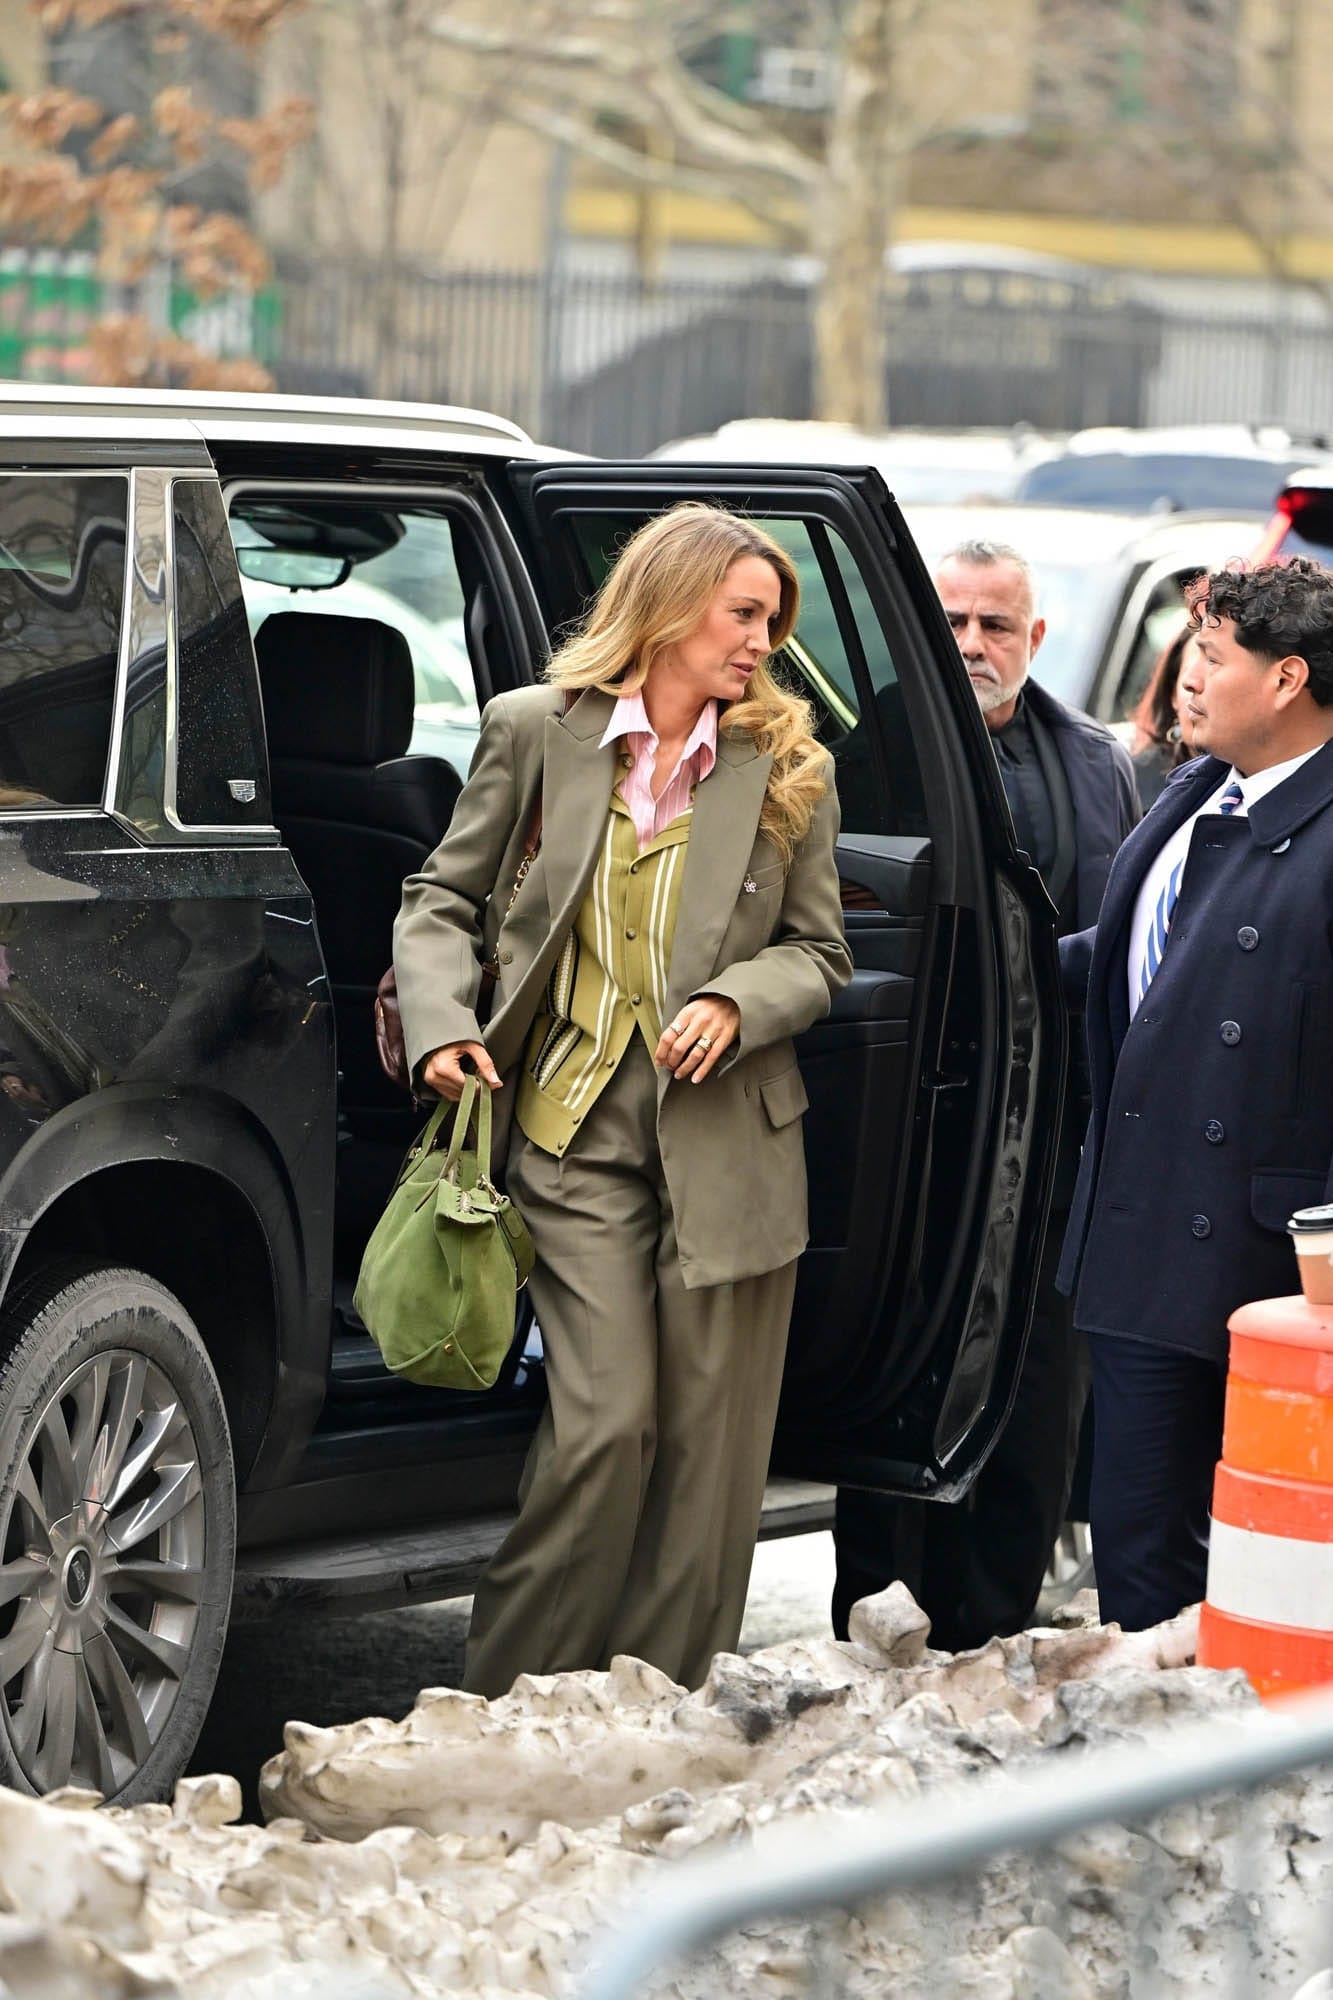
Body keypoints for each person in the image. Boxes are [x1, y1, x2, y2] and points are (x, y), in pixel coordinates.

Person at [392, 503, 852, 1698]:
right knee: (605, 1427)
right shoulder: (535, 729)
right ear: (669, 603)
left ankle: (658, 1713)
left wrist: (740, 999)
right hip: (568, 1133)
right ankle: (511, 1704)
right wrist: (444, 1025)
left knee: (708, 1463)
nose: (761, 642)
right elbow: (441, 896)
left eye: (773, 621)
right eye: (742, 613)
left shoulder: (786, 763)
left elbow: (819, 953)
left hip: (730, 1154)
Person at [832, 537, 1138, 1651]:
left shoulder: (1094, 762)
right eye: (951, 621)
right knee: (901, 1393)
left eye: (994, 624)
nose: (970, 643)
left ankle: (999, 1639)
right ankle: (877, 1643)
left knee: (1038, 1400)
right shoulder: (862, 752)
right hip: (912, 1139)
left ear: (1033, 637)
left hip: (1051, 1139)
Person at [1059, 557, 1333, 1630]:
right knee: (1133, 1549)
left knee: (1257, 1569)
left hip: (1262, 1260)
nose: (1187, 676)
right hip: (1141, 1223)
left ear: (1285, 679)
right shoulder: (1193, 784)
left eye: (1212, 658)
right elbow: (1148, 960)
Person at [1130, 623, 1203, 811]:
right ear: (1172, 693)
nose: (1197, 685)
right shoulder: (1128, 784)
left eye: (1216, 667)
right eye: (1191, 674)